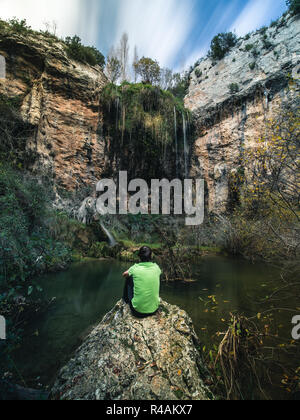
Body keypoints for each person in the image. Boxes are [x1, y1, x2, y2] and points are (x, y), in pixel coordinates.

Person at [123, 246, 161, 318]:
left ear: (139, 257)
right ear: (150, 257)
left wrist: (131, 270)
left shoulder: (135, 267)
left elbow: (124, 274)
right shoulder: (156, 267)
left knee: (129, 277)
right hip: (154, 310)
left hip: (138, 312)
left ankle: (125, 300)